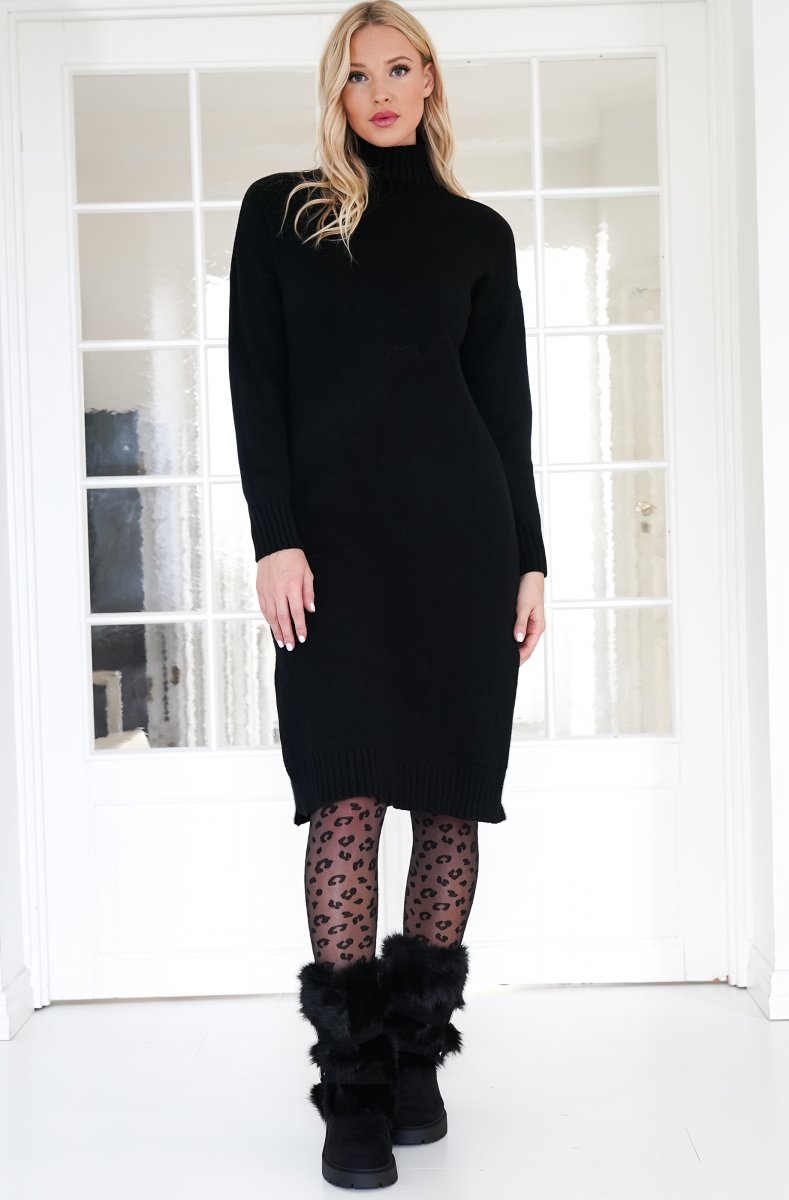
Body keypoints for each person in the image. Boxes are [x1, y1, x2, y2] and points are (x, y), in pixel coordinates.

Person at [227, 0, 547, 1188]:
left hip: (462, 547)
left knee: (449, 803)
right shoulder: (283, 212)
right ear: (336, 90)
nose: (381, 92)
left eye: (400, 68)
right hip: (334, 557)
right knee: (347, 799)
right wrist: (275, 538)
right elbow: (257, 383)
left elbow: (504, 413)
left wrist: (530, 557)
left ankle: (416, 1061)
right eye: (358, 74)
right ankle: (352, 1090)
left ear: (429, 81)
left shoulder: (478, 235)